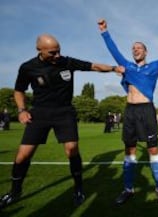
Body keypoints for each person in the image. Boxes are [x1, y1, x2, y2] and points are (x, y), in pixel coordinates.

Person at [0, 33, 125, 210]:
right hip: (39, 113)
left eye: (59, 51)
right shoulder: (28, 67)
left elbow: (94, 66)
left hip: (64, 112)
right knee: (23, 155)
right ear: (39, 50)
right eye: (52, 52)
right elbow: (19, 91)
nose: (57, 55)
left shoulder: (67, 62)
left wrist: (114, 68)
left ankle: (78, 189)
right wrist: (22, 110)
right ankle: (14, 192)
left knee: (72, 149)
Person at [97, 18, 158, 207]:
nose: (135, 49)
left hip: (146, 111)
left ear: (146, 51)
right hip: (130, 111)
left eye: (139, 47)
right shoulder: (127, 66)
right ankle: (128, 188)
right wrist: (104, 31)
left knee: (153, 150)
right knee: (129, 151)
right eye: (133, 48)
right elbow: (114, 50)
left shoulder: (155, 66)